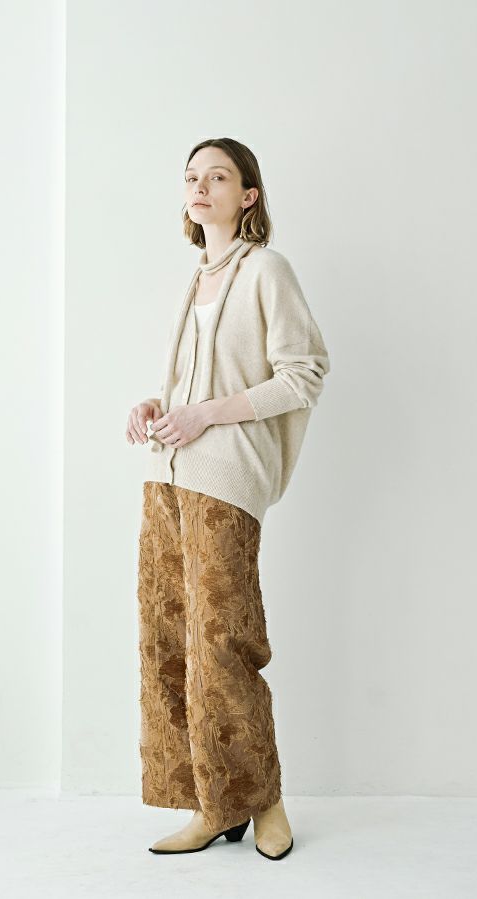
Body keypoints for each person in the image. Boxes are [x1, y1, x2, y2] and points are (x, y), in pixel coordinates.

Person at [126, 137, 330, 861]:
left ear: (248, 195)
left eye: (218, 176)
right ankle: (210, 805)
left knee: (222, 645)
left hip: (226, 481)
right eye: (191, 176)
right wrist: (156, 405)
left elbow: (304, 373)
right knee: (169, 644)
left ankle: (264, 800)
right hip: (167, 478)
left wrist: (206, 414)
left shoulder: (266, 270)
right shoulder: (196, 280)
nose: (200, 186)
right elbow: (192, 383)